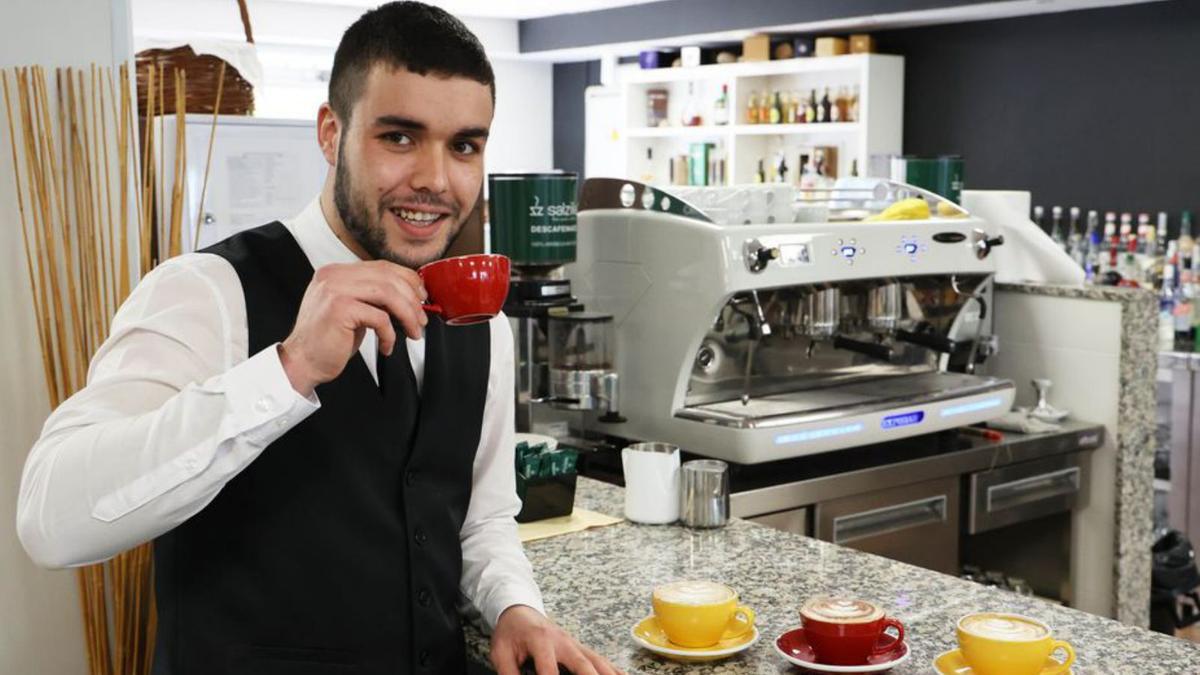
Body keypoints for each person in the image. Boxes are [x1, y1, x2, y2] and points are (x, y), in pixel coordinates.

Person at [16, 3, 620, 674]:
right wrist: (289, 368)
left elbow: (480, 520)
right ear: (331, 134)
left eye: (464, 145)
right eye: (399, 137)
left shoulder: (483, 331)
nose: (435, 178)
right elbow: (49, 519)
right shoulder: (205, 292)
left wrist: (515, 607)